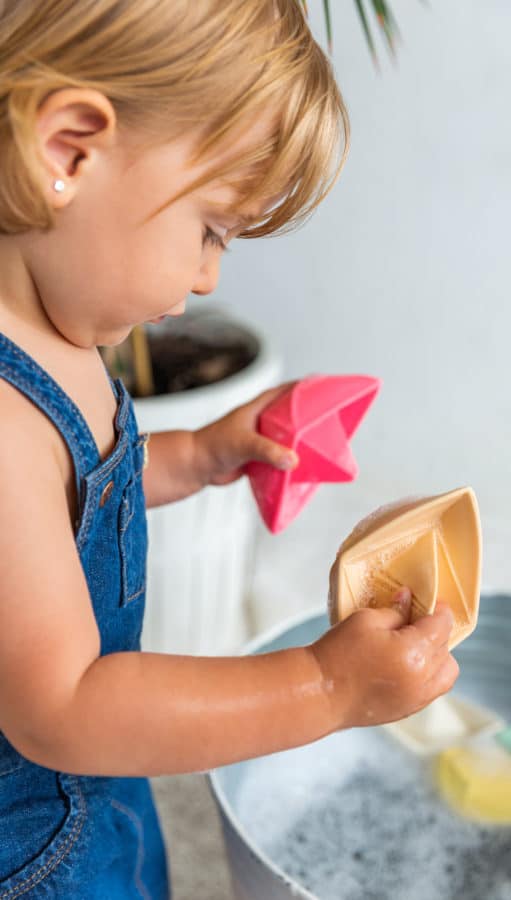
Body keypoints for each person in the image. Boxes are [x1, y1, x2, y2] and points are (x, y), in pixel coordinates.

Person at [0, 1, 459, 896]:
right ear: (69, 152)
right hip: (36, 851)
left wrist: (202, 454)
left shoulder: (50, 332)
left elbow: (86, 495)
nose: (209, 275)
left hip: (95, 796)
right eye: (211, 229)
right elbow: (64, 710)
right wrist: (324, 688)